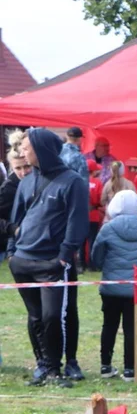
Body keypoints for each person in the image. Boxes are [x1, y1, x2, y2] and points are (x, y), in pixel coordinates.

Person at [6, 128, 89, 387]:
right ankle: (42, 365)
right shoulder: (26, 180)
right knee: (35, 317)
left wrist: (64, 257)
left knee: (54, 316)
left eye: (27, 147)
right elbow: (16, 218)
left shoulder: (72, 181)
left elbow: (77, 222)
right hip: (22, 260)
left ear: (41, 149)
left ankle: (56, 368)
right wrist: (11, 252)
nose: (22, 152)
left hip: (51, 262)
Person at [91, 189, 137, 381]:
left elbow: (96, 256)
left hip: (111, 286)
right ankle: (130, 369)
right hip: (135, 288)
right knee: (131, 328)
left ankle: (105, 366)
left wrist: (106, 267)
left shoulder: (108, 228)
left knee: (109, 325)